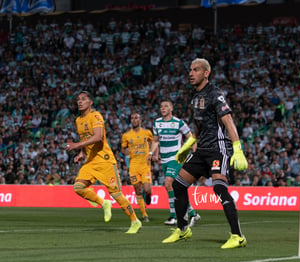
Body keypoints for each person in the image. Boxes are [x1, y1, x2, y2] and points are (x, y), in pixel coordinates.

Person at [162, 58, 248, 249]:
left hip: (218, 148)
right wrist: (189, 143)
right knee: (178, 184)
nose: (191, 73)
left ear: (206, 73)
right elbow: (199, 125)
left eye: (196, 70)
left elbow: (228, 121)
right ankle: (183, 230)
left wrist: (237, 148)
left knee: (219, 188)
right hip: (201, 149)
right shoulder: (194, 96)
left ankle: (237, 236)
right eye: (190, 70)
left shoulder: (215, 94)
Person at [65, 91, 141, 234]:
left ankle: (135, 221)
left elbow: (98, 137)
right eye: (78, 100)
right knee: (78, 187)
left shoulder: (96, 116)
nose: (79, 102)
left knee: (116, 194)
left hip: (105, 161)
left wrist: (76, 146)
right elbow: (86, 140)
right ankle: (103, 202)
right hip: (90, 161)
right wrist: (82, 153)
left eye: (83, 99)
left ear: (90, 102)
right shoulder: (78, 120)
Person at [150, 100, 201, 226]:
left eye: (166, 106)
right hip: (164, 160)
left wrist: (194, 153)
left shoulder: (178, 123)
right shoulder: (157, 123)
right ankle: (193, 213)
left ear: (171, 109)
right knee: (176, 188)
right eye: (161, 106)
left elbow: (191, 138)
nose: (163, 108)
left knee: (168, 183)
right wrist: (152, 153)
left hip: (176, 158)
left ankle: (174, 216)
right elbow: (156, 141)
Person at [121, 111, 153, 223]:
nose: (134, 120)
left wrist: (153, 154)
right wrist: (125, 153)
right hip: (133, 166)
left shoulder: (147, 133)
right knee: (138, 190)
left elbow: (154, 143)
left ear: (140, 120)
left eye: (136, 118)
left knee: (147, 189)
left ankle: (148, 196)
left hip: (145, 165)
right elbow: (123, 148)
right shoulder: (126, 136)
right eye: (132, 118)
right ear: (131, 121)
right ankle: (144, 215)